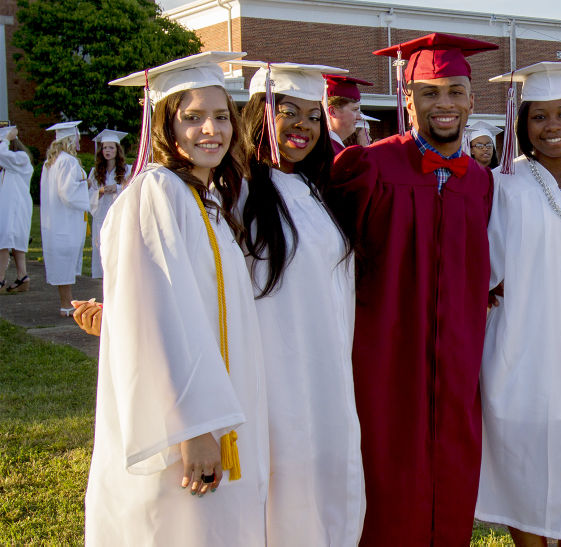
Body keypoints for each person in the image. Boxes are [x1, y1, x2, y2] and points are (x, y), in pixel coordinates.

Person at [322, 32, 498, 546]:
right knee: (387, 470)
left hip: (458, 353)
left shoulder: (481, 181)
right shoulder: (369, 167)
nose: (443, 104)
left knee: (453, 465)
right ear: (408, 99)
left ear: (471, 99)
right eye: (429, 93)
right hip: (385, 351)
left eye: (454, 91)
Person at [88, 51, 270, 545]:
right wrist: (194, 426)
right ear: (166, 127)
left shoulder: (206, 199)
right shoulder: (158, 192)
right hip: (187, 428)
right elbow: (163, 316)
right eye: (192, 118)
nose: (210, 129)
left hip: (218, 414)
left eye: (219, 116)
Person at [478, 61, 561, 547]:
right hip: (522, 351)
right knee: (524, 463)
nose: (553, 126)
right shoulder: (500, 183)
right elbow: (483, 271)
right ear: (522, 123)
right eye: (539, 116)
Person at [237, 60, 366, 545]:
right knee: (285, 493)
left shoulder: (317, 189)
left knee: (327, 481)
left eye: (315, 116)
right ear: (258, 116)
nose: (304, 127)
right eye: (287, 111)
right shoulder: (240, 193)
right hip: (275, 376)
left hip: (327, 372)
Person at [40, 121, 90, 316]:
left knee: (61, 261)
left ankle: (66, 302)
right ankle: (66, 305)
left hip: (54, 219)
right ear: (70, 139)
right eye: (77, 136)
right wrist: (85, 186)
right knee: (65, 261)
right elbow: (68, 192)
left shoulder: (50, 162)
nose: (79, 140)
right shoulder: (68, 161)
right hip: (66, 220)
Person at [87, 129, 130, 279]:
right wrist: (100, 191)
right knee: (102, 249)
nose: (107, 151)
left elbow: (131, 191)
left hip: (119, 216)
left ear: (117, 150)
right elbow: (88, 196)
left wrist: (117, 188)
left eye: (111, 147)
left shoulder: (127, 170)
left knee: (118, 250)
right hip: (101, 216)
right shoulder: (95, 172)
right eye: (105, 147)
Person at [0, 125, 34, 293]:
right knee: (12, 242)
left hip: (16, 207)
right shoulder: (6, 167)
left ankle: (0, 280)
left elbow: (1, 154)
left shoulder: (20, 158)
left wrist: (5, 139)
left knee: (5, 241)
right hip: (9, 207)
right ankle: (22, 276)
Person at [324, 74, 373, 153]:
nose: (359, 117)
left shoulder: (335, 148)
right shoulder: (327, 151)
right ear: (332, 112)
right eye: (354, 109)